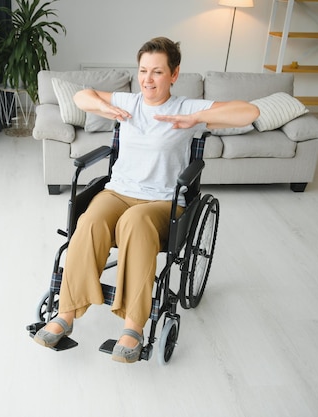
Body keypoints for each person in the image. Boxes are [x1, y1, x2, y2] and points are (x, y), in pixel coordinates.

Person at [33, 37, 259, 363]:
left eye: (157, 72)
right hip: (118, 192)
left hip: (163, 201)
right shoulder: (130, 101)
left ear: (174, 74)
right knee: (91, 219)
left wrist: (196, 120)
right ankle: (65, 314)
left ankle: (133, 327)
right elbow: (81, 95)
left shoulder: (187, 107)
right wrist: (103, 106)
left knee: (135, 223)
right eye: (143, 71)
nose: (148, 79)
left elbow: (249, 112)